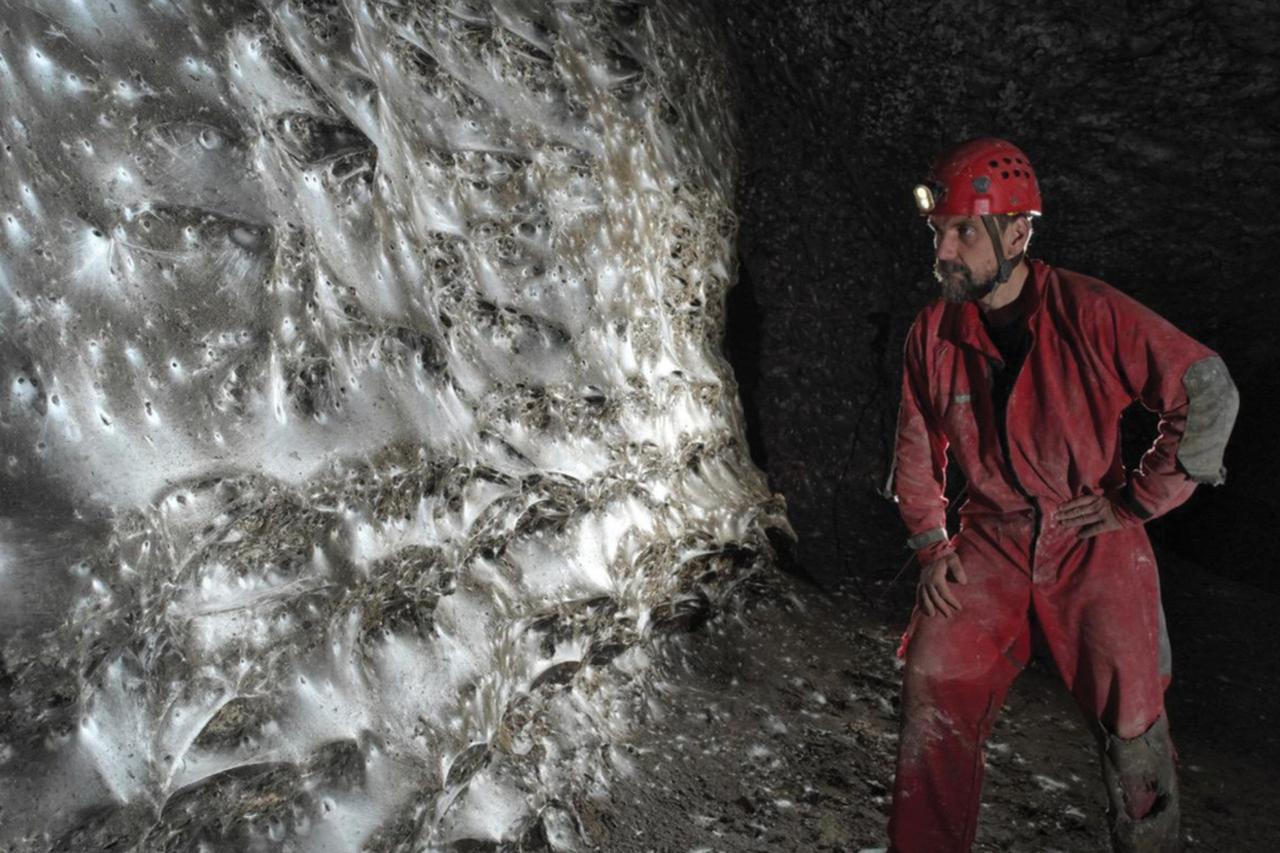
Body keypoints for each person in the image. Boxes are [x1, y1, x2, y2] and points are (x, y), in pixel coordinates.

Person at [885, 138, 1239, 853]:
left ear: (1018, 232)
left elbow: (1204, 388)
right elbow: (919, 441)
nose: (943, 250)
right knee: (935, 671)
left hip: (1090, 534)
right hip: (990, 535)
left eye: (961, 231)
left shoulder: (1089, 311)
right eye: (938, 232)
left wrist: (1138, 501)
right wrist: (930, 542)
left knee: (1134, 720)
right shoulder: (935, 329)